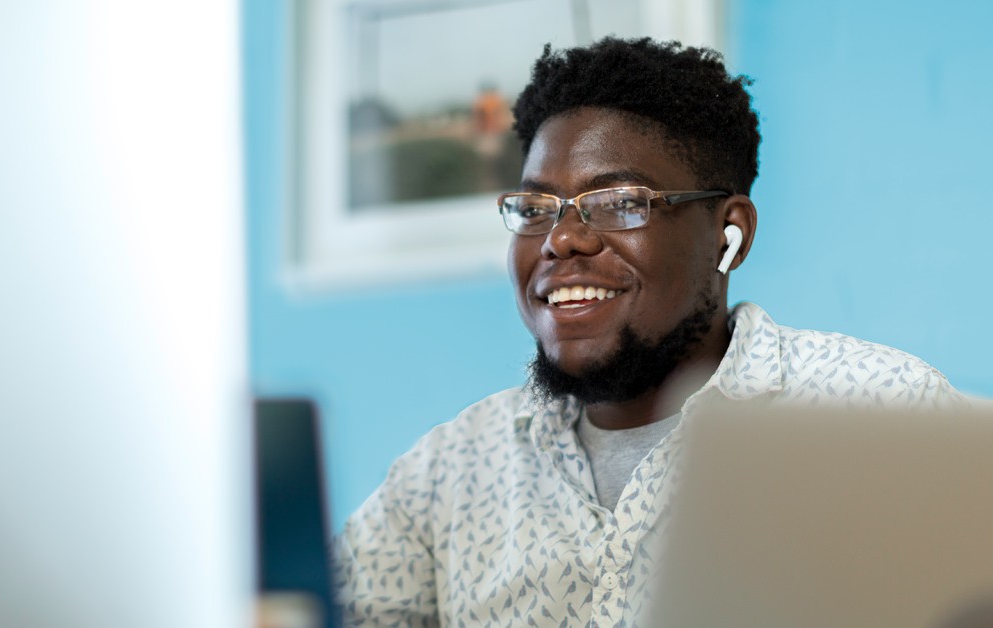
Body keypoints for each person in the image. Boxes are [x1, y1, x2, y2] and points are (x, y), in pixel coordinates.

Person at [331, 37, 967, 627]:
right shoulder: (448, 471)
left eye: (619, 203)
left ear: (730, 233)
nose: (562, 240)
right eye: (536, 211)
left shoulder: (879, 410)